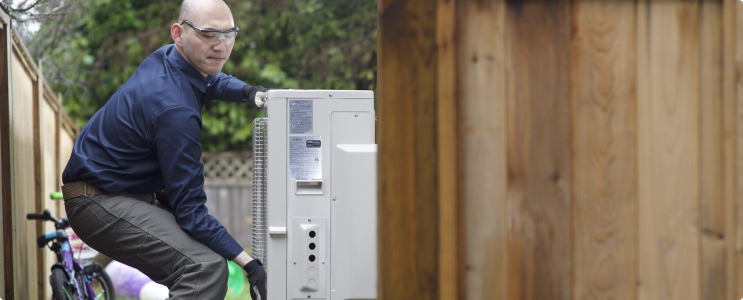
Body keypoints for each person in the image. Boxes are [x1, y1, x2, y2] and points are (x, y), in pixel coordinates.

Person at [61, 0, 268, 299]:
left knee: (207, 260)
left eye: (229, 34)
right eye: (209, 34)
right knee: (204, 268)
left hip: (117, 193)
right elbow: (191, 211)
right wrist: (250, 265)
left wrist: (249, 92)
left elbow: (210, 81)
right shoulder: (175, 109)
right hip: (99, 202)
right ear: (178, 33)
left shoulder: (169, 58)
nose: (221, 45)